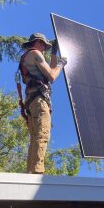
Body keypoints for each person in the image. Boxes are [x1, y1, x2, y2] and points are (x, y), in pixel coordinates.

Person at [18, 33, 67, 174]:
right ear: (38, 43)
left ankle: (31, 172)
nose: (44, 49)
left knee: (35, 138)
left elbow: (49, 70)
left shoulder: (27, 56)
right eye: (44, 46)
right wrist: (61, 64)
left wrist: (54, 53)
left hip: (32, 100)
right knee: (42, 134)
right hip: (39, 100)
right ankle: (38, 172)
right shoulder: (35, 54)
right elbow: (52, 76)